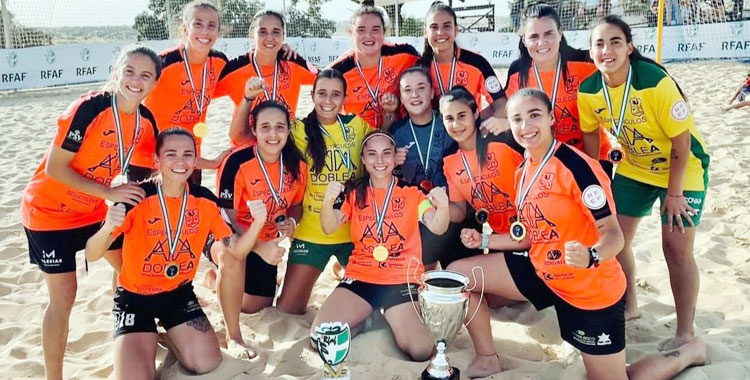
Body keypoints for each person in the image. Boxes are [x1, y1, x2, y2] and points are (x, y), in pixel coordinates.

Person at [449, 88, 706, 379]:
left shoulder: (577, 167)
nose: (525, 126)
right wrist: (484, 240)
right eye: (516, 119)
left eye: (534, 116)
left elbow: (614, 237)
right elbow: (531, 235)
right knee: (457, 276)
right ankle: (487, 358)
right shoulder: (523, 170)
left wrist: (591, 255)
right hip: (543, 271)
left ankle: (688, 352)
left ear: (550, 118)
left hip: (587, 288)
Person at [20, 45, 161, 380]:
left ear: (155, 82)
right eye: (129, 71)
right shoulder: (88, 108)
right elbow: (56, 168)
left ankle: (127, 337)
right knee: (64, 297)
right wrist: (108, 193)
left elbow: (141, 179)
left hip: (91, 211)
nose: (136, 81)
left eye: (145, 75)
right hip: (48, 212)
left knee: (132, 268)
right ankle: (54, 377)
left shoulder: (145, 122)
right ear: (117, 70)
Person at [84, 128, 268, 379]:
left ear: (195, 161)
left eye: (187, 154)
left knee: (206, 363)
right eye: (171, 154)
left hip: (178, 294)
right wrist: (107, 227)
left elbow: (235, 250)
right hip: (135, 299)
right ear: (157, 161)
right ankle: (147, 337)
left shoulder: (205, 201)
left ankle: (171, 337)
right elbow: (92, 254)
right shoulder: (135, 198)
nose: (180, 161)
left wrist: (257, 223)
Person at [578, 16, 710, 350]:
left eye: (615, 42)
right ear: (590, 50)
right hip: (636, 168)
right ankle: (630, 305)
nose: (606, 50)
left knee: (676, 248)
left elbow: (682, 145)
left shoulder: (653, 80)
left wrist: (674, 193)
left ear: (630, 47)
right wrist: (597, 184)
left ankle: (685, 332)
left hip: (683, 168)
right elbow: (591, 140)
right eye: (599, 44)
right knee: (614, 238)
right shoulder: (589, 89)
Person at [313, 130, 450, 361]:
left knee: (421, 350)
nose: (379, 160)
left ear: (395, 158)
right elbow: (329, 226)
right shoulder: (354, 194)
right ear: (364, 160)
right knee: (321, 337)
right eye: (372, 154)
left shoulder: (412, 193)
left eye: (386, 154)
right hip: (362, 276)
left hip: (400, 279)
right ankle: (366, 318)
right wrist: (327, 202)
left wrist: (444, 207)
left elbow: (437, 226)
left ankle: (387, 316)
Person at [204, 100, 306, 356]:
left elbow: (297, 205)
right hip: (227, 233)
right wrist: (259, 247)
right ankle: (234, 336)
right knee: (234, 255)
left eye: (280, 127)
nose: (273, 134)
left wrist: (291, 223)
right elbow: (227, 216)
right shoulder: (235, 161)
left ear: (288, 130)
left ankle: (215, 280)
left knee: (254, 305)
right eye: (266, 127)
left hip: (266, 241)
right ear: (255, 130)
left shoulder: (297, 164)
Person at [276, 69, 375, 314]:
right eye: (322, 93)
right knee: (288, 308)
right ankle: (337, 268)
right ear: (312, 95)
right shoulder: (297, 130)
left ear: (344, 97)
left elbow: (383, 149)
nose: (328, 101)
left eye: (335, 95)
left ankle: (343, 268)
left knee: (370, 305)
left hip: (353, 234)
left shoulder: (357, 125)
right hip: (312, 233)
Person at [505, 4, 613, 176]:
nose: (542, 43)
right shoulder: (517, 72)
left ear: (560, 33)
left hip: (592, 157)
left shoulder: (587, 63)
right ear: (524, 39)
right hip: (544, 162)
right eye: (534, 36)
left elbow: (625, 65)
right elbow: (508, 115)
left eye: (549, 34)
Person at [140, 1, 230, 184]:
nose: (205, 31)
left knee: (189, 210)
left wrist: (281, 52)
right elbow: (125, 95)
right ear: (184, 29)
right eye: (198, 24)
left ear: (218, 32)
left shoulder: (220, 62)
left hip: (190, 157)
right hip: (148, 158)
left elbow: (248, 71)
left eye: (211, 25)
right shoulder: (163, 64)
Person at [440, 87, 525, 267]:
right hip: (501, 238)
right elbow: (459, 211)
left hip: (537, 230)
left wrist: (512, 124)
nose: (456, 125)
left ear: (476, 113)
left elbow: (545, 142)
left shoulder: (502, 138)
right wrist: (437, 203)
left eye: (462, 116)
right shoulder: (449, 160)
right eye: (449, 118)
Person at [215, 9, 319, 145]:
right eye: (262, 32)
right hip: (247, 146)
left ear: (283, 36)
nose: (270, 38)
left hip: (282, 144)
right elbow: (201, 93)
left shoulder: (292, 62)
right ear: (252, 35)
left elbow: (328, 81)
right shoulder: (235, 69)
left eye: (276, 32)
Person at [390, 66, 459, 269]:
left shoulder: (449, 123)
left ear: (431, 92)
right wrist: (392, 163)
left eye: (421, 88)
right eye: (407, 90)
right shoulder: (396, 132)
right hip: (420, 216)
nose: (415, 95)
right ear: (401, 98)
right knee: (421, 278)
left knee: (461, 278)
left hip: (455, 212)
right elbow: (386, 176)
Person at [419, 1, 509, 134]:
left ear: (456, 30)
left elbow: (501, 103)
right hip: (433, 139)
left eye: (447, 26)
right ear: (425, 32)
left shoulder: (477, 63)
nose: (440, 32)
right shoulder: (420, 68)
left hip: (468, 136)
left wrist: (478, 122)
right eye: (434, 27)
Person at [328, 5, 420, 130]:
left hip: (401, 134)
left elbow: (434, 63)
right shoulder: (338, 72)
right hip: (358, 140)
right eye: (361, 30)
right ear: (351, 34)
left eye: (375, 30)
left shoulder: (405, 54)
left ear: (384, 32)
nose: (369, 36)